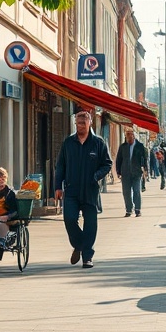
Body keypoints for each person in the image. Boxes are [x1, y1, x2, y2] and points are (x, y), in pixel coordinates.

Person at [53, 110, 112, 269]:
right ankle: (79, 244)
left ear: (90, 123)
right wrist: (58, 187)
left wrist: (96, 176)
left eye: (83, 123)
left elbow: (107, 164)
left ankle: (87, 256)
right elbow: (60, 166)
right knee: (69, 219)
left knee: (90, 224)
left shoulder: (98, 143)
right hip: (71, 189)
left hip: (90, 190)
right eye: (78, 123)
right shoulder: (68, 143)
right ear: (75, 124)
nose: (80, 126)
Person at [115, 126, 148, 217]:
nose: (128, 138)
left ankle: (137, 209)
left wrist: (145, 170)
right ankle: (129, 209)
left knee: (136, 191)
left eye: (130, 135)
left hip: (136, 172)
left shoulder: (139, 146)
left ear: (134, 136)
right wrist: (118, 171)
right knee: (126, 192)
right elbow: (119, 159)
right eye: (127, 136)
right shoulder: (123, 147)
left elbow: (144, 158)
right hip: (125, 173)